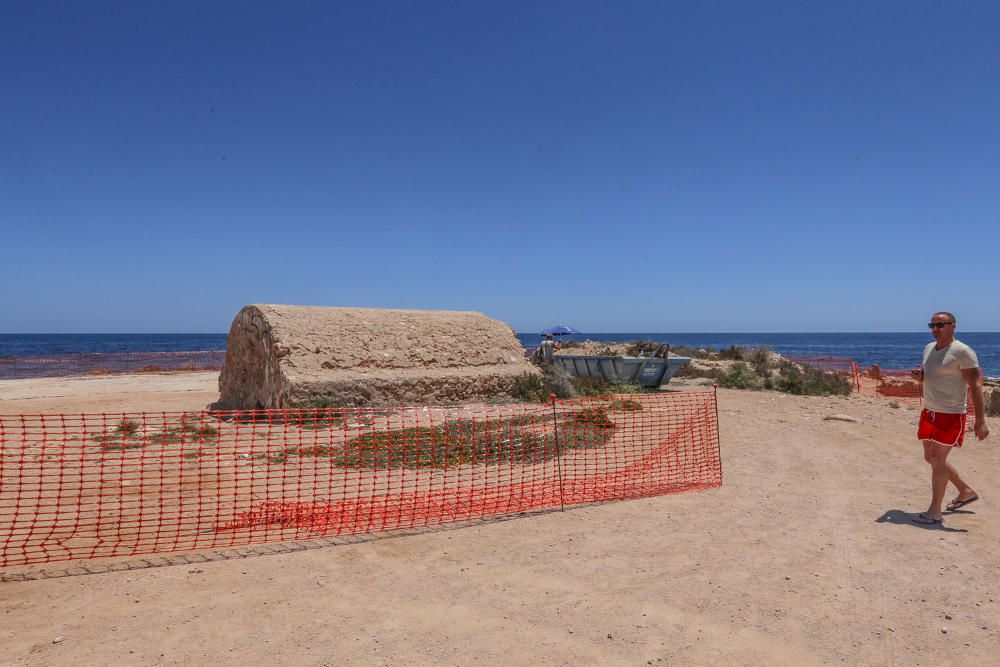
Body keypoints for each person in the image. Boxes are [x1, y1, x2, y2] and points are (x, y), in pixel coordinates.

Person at [912, 311, 990, 525]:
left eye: (941, 325)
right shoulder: (929, 348)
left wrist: (980, 421)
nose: (935, 329)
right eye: (932, 325)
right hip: (929, 411)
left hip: (951, 414)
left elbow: (976, 386)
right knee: (931, 458)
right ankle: (965, 491)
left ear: (953, 325)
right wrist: (921, 378)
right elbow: (932, 377)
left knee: (937, 459)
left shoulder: (963, 351)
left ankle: (934, 511)